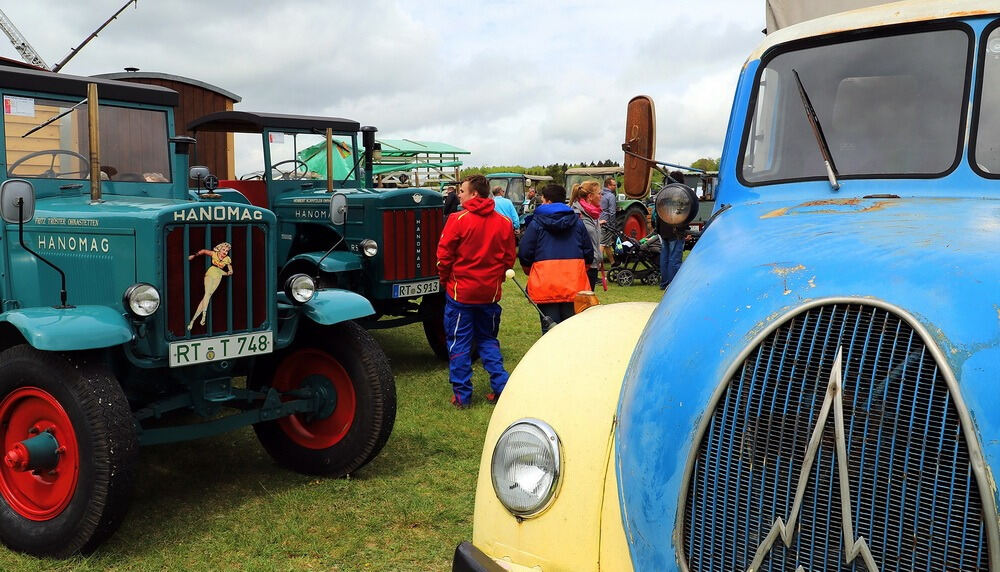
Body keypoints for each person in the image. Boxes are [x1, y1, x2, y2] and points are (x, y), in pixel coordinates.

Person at [437, 174, 516, 409]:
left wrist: (445, 281)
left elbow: (443, 257)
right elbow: (508, 259)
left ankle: (462, 396)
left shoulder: (457, 219)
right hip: (489, 294)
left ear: (474, 194)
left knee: (459, 343)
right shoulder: (504, 222)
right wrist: (496, 280)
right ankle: (502, 387)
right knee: (488, 340)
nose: (458, 194)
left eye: (462, 191)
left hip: (461, 294)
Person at [518, 184, 593, 333]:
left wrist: (531, 271)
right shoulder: (577, 222)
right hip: (573, 283)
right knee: (571, 329)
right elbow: (588, 252)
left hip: (546, 283)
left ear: (548, 201)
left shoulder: (536, 223)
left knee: (550, 331)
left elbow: (525, 252)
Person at [655, 171, 690, 290]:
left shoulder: (663, 194)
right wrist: (685, 230)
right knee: (674, 259)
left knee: (664, 258)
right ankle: (673, 285)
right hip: (675, 230)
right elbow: (683, 215)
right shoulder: (680, 195)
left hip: (663, 231)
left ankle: (664, 283)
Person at [187, 242, 233, 330]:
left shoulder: (227, 259)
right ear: (219, 249)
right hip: (211, 272)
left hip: (219, 275)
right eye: (223, 250)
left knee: (207, 296)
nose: (225, 252)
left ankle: (192, 321)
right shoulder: (214, 254)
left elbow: (230, 268)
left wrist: (230, 271)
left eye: (227, 251)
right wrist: (194, 255)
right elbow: (203, 251)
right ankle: (204, 315)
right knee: (207, 293)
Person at [569, 180, 602, 289]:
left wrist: (598, 259)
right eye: (599, 193)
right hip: (582, 267)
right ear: (590, 196)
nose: (601, 196)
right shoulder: (577, 214)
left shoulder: (593, 215)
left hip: (592, 265)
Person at [599, 177, 618, 265]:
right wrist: (613, 225)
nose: (615, 187)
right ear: (608, 185)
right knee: (602, 243)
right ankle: (596, 265)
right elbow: (612, 212)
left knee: (607, 244)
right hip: (607, 222)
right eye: (614, 185)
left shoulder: (599, 194)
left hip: (598, 220)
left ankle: (613, 262)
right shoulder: (611, 196)